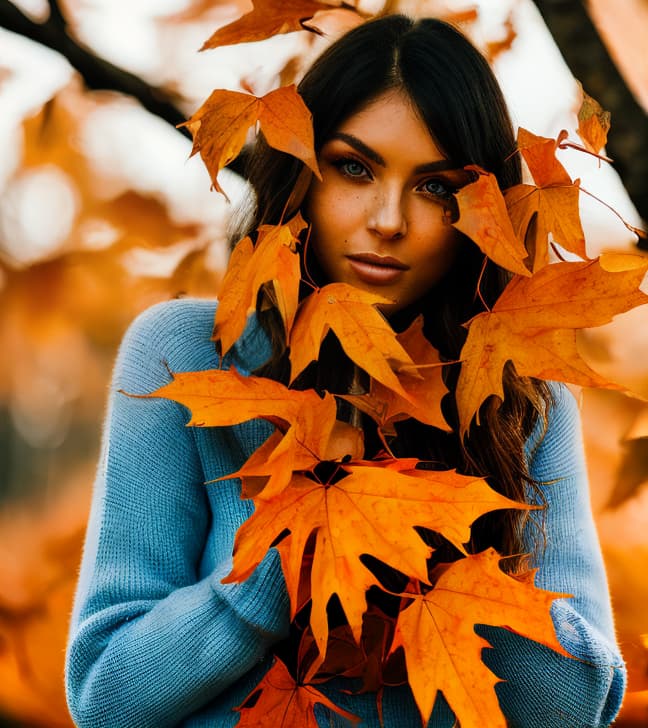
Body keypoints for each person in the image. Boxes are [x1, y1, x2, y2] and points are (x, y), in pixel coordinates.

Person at [65, 14, 626, 728]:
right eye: (354, 168)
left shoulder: (521, 396)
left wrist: (433, 526)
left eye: (435, 187)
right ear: (302, 169)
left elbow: (571, 707)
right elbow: (105, 698)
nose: (387, 219)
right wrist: (286, 557)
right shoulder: (187, 353)